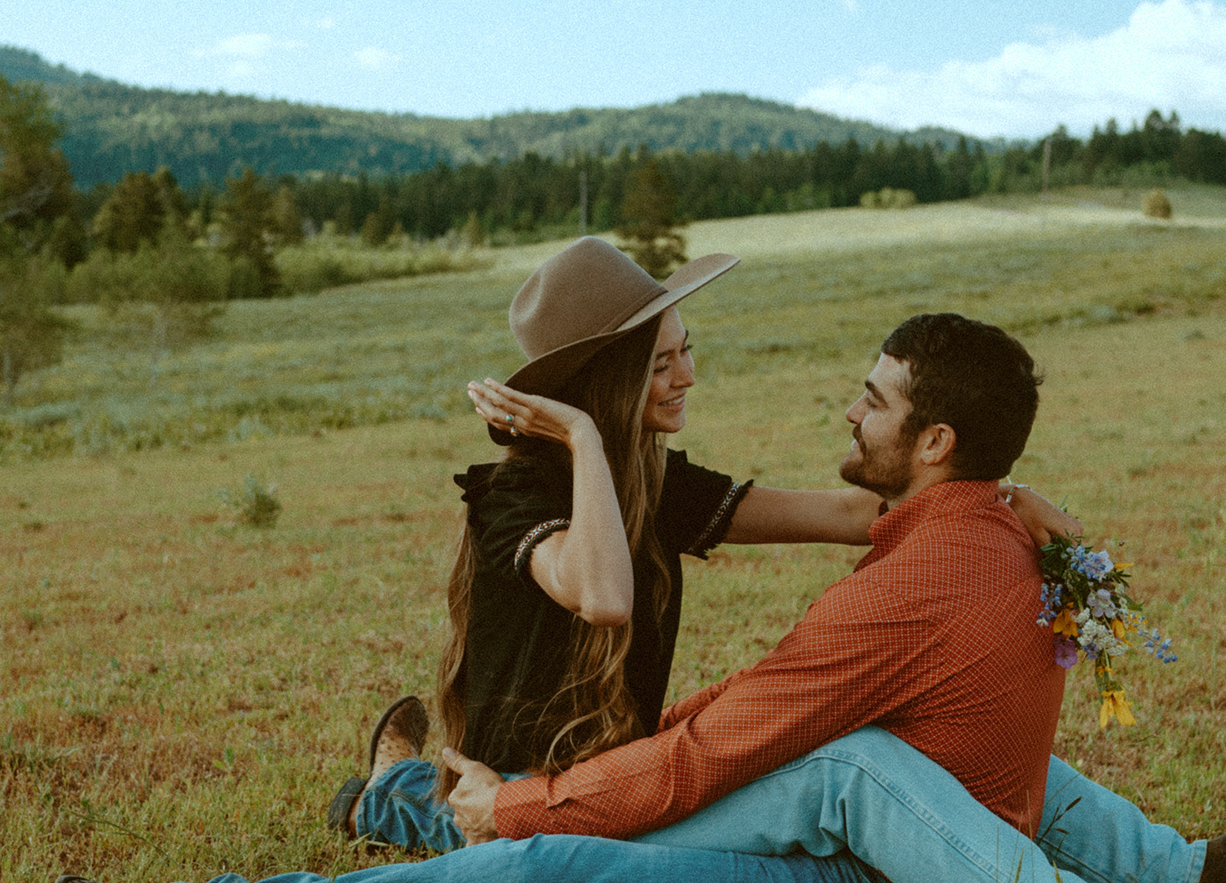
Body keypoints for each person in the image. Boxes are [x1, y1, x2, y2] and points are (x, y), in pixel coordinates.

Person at [52, 313, 1226, 883]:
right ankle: (397, 798)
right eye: (665, 363)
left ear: (934, 441)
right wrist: (1033, 511)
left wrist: (537, 797)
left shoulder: (916, 574)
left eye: (869, 402)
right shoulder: (973, 536)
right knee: (818, 767)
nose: (841, 410)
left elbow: (720, 738)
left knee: (540, 870)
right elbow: (649, 605)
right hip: (747, 805)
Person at [326, 234, 1082, 838]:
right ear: (608, 384)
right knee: (463, 823)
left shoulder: (657, 481)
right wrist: (585, 438)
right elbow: (604, 596)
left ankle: (398, 777)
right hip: (521, 780)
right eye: (663, 362)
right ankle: (385, 797)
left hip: (611, 766)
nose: (688, 375)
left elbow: (854, 515)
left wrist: (998, 490)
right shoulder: (515, 494)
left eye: (687, 348)